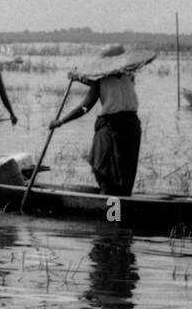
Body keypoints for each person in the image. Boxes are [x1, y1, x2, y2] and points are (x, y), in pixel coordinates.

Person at [48, 45, 146, 197]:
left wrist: (61, 121)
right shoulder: (129, 76)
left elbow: (85, 107)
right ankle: (117, 211)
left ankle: (110, 212)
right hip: (132, 128)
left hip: (112, 128)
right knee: (123, 176)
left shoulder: (101, 80)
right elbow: (105, 80)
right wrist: (79, 77)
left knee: (106, 172)